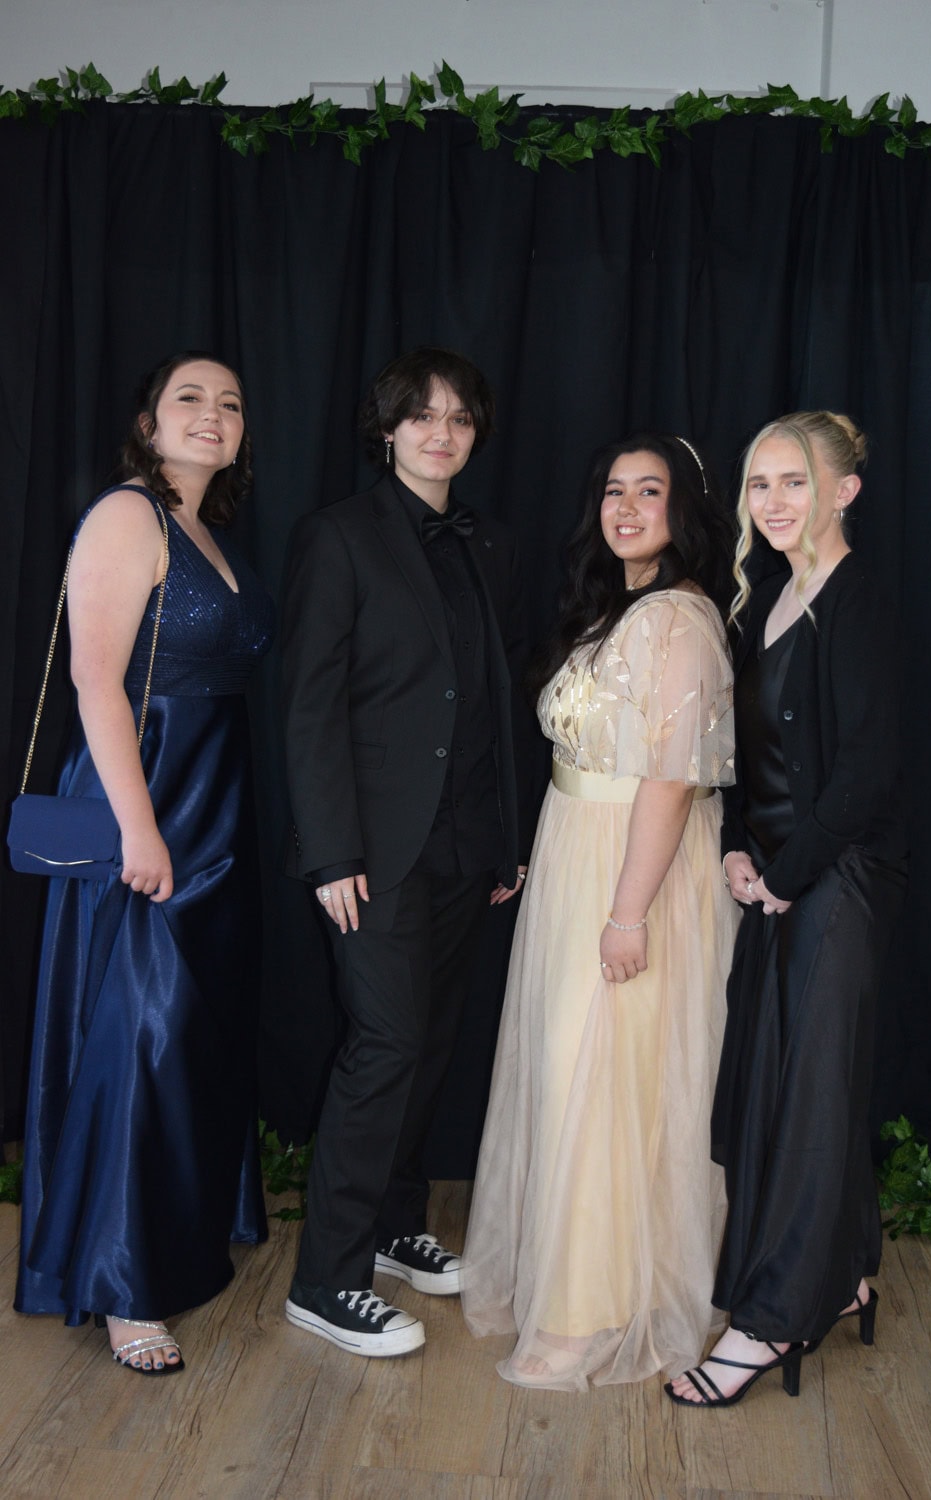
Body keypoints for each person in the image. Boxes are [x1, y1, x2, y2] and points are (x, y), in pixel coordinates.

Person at [461, 432, 739, 1390]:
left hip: (635, 870)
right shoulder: (617, 611)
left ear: (683, 509)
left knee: (612, 1082)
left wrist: (628, 913)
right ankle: (572, 1285)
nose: (626, 508)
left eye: (648, 491)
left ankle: (591, 1313)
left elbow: (670, 781)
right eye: (614, 491)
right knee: (573, 1075)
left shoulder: (681, 620)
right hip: (580, 853)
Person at [15, 353, 275, 1374]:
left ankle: (183, 1227)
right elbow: (95, 680)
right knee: (140, 1032)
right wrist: (137, 827)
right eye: (189, 399)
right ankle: (123, 1286)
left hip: (216, 801)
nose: (213, 415)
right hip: (148, 795)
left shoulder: (208, 532)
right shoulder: (129, 516)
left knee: (190, 1030)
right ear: (147, 421)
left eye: (230, 403)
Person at [280, 347, 530, 1358]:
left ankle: (392, 1226)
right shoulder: (337, 536)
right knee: (383, 1046)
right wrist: (329, 851)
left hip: (466, 844)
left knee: (427, 1045)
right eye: (422, 416)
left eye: (459, 418)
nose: (441, 433)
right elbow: (309, 705)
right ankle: (325, 1281)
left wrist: (507, 839)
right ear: (387, 430)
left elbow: (497, 700)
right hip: (372, 852)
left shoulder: (488, 543)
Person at [667, 411, 907, 1409]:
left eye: (793, 481)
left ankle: (768, 1321)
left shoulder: (862, 604)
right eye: (758, 483)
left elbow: (866, 773)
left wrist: (787, 874)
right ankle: (842, 1271)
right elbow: (745, 758)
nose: (770, 502)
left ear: (844, 491)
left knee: (809, 1098)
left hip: (836, 881)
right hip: (776, 877)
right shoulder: (765, 597)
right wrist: (735, 846)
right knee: (786, 1086)